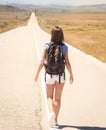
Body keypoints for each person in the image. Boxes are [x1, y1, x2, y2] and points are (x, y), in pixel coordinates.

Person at [34, 26, 74, 127]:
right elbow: (68, 63)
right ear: (62, 35)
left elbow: (42, 61)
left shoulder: (47, 46)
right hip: (61, 76)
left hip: (49, 75)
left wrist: (37, 74)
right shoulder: (64, 47)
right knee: (58, 99)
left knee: (49, 97)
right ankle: (55, 120)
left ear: (52, 35)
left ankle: (51, 113)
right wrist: (71, 74)